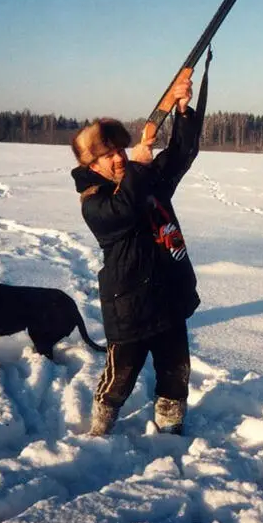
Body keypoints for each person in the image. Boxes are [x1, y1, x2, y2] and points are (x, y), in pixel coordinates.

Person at [70, 76, 203, 437]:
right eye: (107, 154)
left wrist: (181, 109)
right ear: (91, 164)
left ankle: (171, 429)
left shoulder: (143, 178)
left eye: (120, 151)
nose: (118, 158)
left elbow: (181, 155)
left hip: (167, 295)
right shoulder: (94, 202)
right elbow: (125, 209)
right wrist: (140, 166)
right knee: (120, 378)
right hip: (128, 305)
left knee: (177, 372)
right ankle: (99, 429)